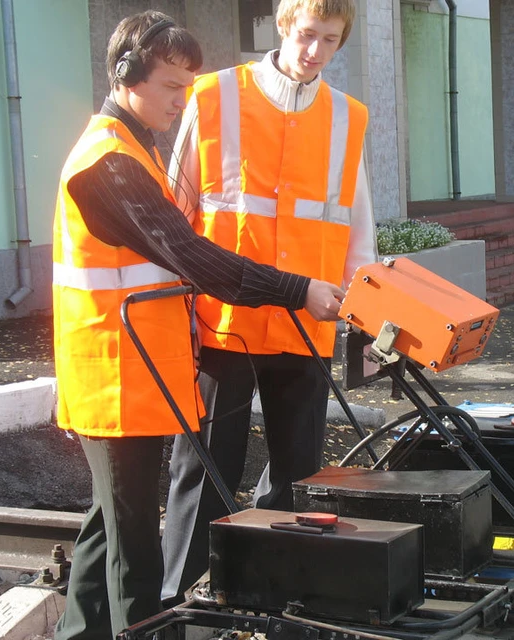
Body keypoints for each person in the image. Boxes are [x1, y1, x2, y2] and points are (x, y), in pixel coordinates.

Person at [51, 11, 344, 639]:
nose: (181, 101)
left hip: (134, 377)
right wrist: (299, 290)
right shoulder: (108, 165)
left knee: (107, 528)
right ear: (127, 77)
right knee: (133, 546)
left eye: (188, 87)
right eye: (169, 87)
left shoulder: (133, 149)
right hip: (113, 380)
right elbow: (199, 260)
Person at [161, 0, 376, 605]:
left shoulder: (347, 118)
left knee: (297, 476)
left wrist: (360, 311)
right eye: (307, 35)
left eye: (329, 40)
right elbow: (177, 218)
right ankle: (180, 604)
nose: (315, 51)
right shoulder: (213, 97)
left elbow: (359, 227)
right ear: (282, 27)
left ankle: (270, 597)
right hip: (220, 323)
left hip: (306, 326)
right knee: (202, 472)